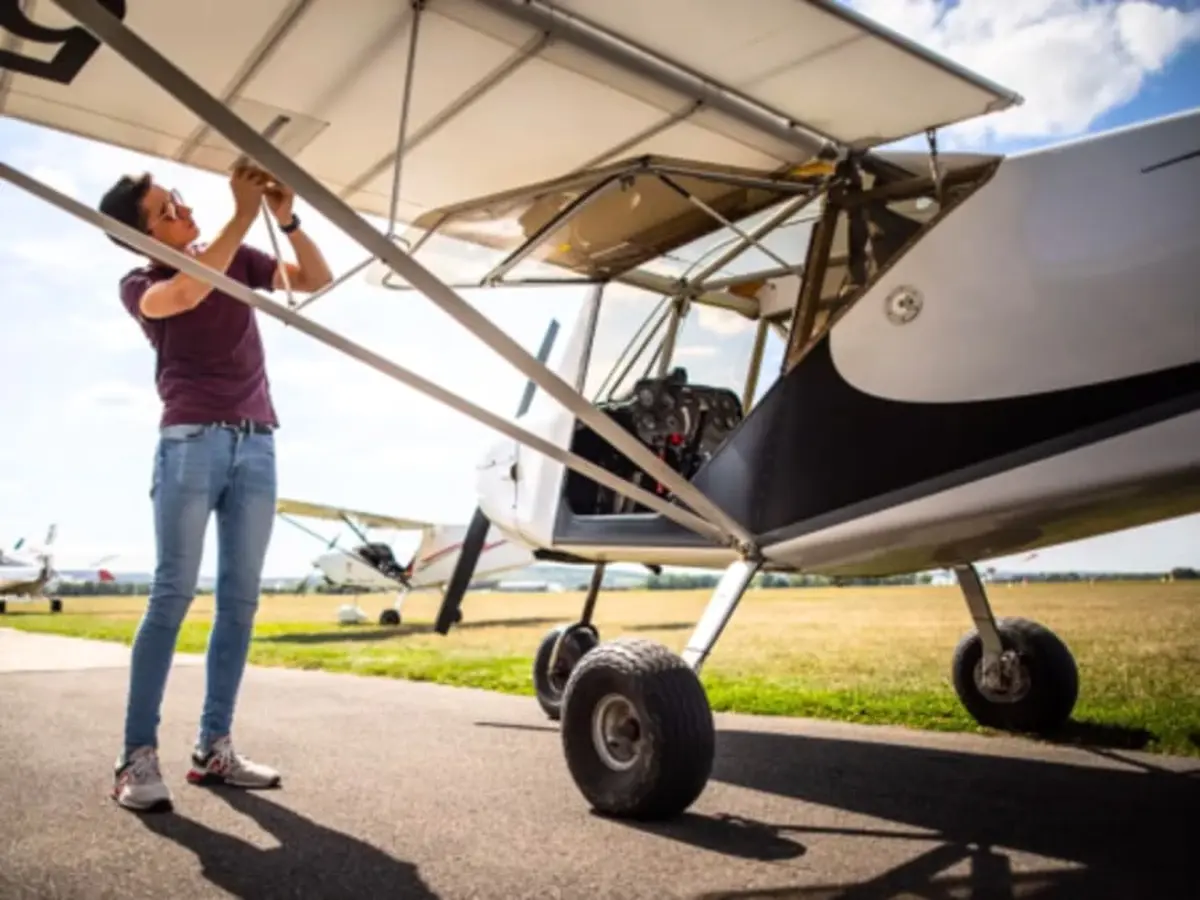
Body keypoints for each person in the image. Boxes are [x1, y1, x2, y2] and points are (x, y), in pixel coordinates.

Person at [97, 164, 332, 811]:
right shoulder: (142, 283)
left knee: (240, 602)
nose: (183, 208)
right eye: (167, 208)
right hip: (190, 445)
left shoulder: (232, 256)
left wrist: (283, 218)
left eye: (177, 198)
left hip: (256, 442)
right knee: (172, 595)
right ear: (143, 236)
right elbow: (191, 294)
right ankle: (135, 757)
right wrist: (241, 210)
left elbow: (314, 279)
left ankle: (213, 749)